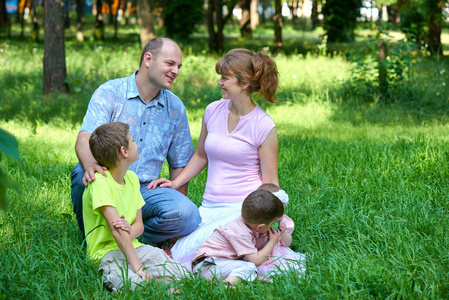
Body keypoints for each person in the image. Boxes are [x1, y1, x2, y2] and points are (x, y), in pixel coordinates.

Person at [147, 48, 280, 268]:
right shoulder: (212, 111)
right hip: (209, 207)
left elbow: (271, 183)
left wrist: (260, 217)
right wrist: (176, 182)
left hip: (242, 208)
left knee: (197, 256)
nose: (219, 82)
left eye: (225, 78)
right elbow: (201, 155)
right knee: (183, 253)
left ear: (244, 84)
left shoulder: (263, 125)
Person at [71, 37, 201, 243]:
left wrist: (176, 208)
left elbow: (179, 164)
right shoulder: (110, 92)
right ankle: (93, 234)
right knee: (81, 174)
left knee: (188, 215)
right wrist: (90, 166)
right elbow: (84, 138)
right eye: (170, 64)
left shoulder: (175, 107)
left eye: (179, 66)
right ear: (148, 60)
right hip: (107, 181)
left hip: (146, 192)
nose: (176, 71)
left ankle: (124, 237)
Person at [83, 122, 188, 291]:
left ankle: (162, 283)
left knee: (182, 274)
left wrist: (129, 231)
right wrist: (139, 269)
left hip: (135, 247)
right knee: (133, 283)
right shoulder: (100, 184)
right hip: (107, 255)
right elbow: (117, 231)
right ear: (124, 151)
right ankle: (154, 283)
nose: (136, 144)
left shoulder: (131, 178)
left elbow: (139, 225)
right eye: (132, 141)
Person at [192, 189, 283, 284]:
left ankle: (231, 281)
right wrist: (272, 241)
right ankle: (227, 286)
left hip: (212, 264)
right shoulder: (241, 232)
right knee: (249, 267)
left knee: (248, 267)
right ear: (261, 226)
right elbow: (257, 260)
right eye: (273, 223)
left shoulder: (243, 223)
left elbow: (250, 252)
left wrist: (260, 238)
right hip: (207, 265)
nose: (273, 226)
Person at [256, 183, 306, 276]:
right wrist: (260, 238)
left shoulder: (283, 222)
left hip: (279, 252)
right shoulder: (257, 226)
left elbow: (287, 243)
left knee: (289, 265)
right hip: (263, 255)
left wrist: (283, 233)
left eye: (281, 213)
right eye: (276, 215)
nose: (279, 218)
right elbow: (255, 247)